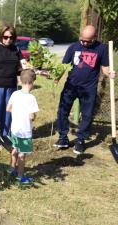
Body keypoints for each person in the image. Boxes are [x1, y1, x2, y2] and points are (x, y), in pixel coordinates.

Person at [54, 25, 116, 154]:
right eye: (83, 40)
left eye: (88, 41)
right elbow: (64, 66)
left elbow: (105, 68)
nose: (85, 43)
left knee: (87, 115)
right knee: (62, 111)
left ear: (95, 37)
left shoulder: (101, 48)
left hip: (88, 88)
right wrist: (56, 78)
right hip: (70, 86)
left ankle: (80, 140)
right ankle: (63, 138)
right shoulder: (73, 47)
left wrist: (110, 73)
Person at [6, 70, 38, 184]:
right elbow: (32, 116)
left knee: (14, 148)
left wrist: (18, 111)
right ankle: (20, 177)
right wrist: (33, 117)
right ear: (32, 83)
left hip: (15, 129)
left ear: (21, 81)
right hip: (25, 132)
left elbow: (8, 108)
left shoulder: (15, 94)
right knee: (22, 154)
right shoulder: (31, 98)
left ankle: (11, 169)